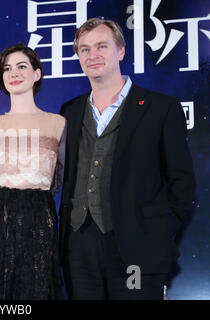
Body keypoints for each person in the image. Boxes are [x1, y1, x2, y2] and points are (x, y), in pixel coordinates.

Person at [59, 18, 196, 300]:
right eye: (84, 49)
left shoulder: (161, 108)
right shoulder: (70, 111)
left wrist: (156, 236)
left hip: (138, 249)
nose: (92, 55)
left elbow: (181, 185)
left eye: (101, 46)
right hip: (79, 247)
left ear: (121, 51)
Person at [0, 44, 66, 300]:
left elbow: (61, 178)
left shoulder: (58, 122)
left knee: (36, 287)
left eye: (21, 66)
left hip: (38, 216)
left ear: (36, 74)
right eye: (7, 68)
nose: (13, 73)